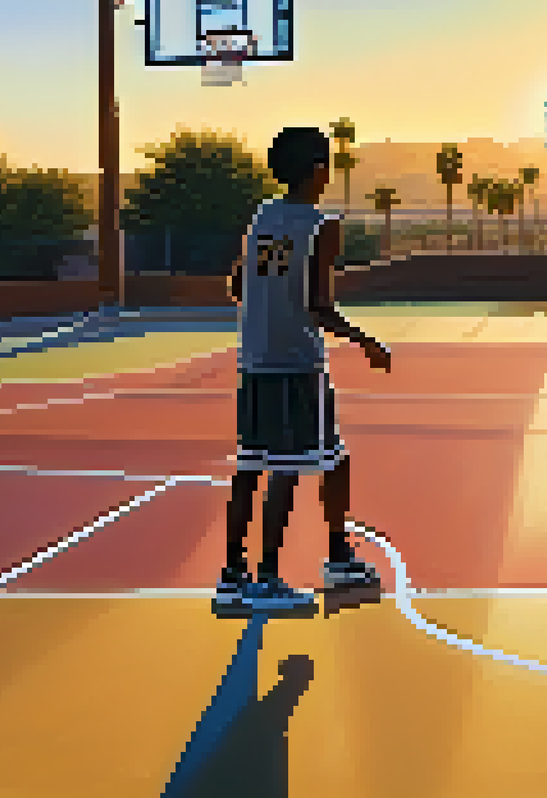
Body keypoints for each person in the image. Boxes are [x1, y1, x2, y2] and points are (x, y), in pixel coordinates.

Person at [215, 125, 391, 619]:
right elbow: (318, 305)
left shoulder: (262, 215)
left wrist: (269, 305)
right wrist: (367, 342)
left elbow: (236, 284)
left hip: (254, 359)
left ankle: (238, 575)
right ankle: (267, 577)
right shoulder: (321, 224)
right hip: (296, 362)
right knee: (287, 467)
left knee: (261, 464)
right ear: (318, 170)